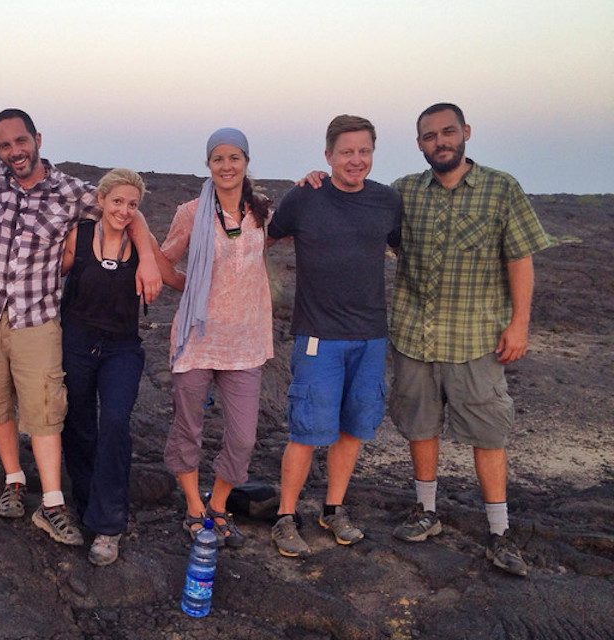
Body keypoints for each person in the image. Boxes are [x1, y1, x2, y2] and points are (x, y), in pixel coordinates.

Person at [303, 103, 551, 575]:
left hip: (475, 337)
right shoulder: (403, 193)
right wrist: (315, 180)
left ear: (466, 133)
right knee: (419, 424)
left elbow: (520, 259)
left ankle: (499, 532)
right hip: (414, 334)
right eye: (431, 136)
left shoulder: (501, 189)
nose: (441, 141)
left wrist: (519, 324)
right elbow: (359, 214)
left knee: (488, 430)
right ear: (420, 145)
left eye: (448, 132)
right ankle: (426, 511)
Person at [0, 109, 161, 547]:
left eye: (21, 142)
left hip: (36, 315)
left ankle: (53, 503)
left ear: (37, 138)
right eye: (5, 145)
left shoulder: (72, 192)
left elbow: (124, 206)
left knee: (44, 406)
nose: (15, 152)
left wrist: (149, 258)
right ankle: (14, 479)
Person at [266, 115, 402, 557]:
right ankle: (286, 517)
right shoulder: (304, 197)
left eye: (364, 151)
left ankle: (333, 508)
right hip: (317, 337)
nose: (355, 160)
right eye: (346, 152)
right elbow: (258, 238)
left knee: (353, 428)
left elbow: (407, 251)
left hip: (370, 337)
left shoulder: (386, 201)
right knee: (306, 430)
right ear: (328, 156)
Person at [60, 168, 182, 565]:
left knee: (115, 421)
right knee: (77, 424)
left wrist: (230, 277)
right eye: (118, 201)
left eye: (133, 204)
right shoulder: (78, 237)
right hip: (76, 343)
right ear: (101, 201)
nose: (125, 210)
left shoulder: (140, 241)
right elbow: (42, 270)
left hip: (122, 349)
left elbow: (177, 279)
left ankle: (109, 525)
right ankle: (84, 504)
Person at [161, 128, 273, 549]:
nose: (226, 166)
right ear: (208, 164)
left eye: (234, 158)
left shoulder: (262, 210)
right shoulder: (191, 211)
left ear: (246, 161)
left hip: (246, 341)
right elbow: (164, 259)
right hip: (197, 339)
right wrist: (191, 288)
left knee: (243, 437)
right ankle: (194, 506)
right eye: (217, 159)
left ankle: (220, 503)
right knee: (188, 427)